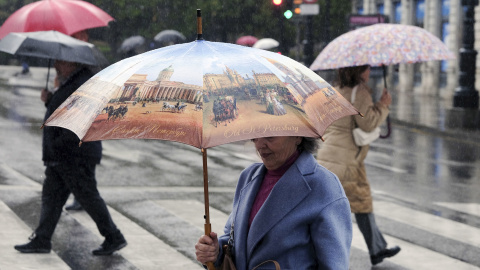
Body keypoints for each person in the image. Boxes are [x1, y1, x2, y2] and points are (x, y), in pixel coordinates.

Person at [15, 59, 127, 256]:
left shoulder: (82, 84)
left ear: (71, 62)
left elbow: (79, 119)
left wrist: (59, 142)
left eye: (60, 62)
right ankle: (42, 239)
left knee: (87, 197)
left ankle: (114, 236)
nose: (57, 66)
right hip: (63, 155)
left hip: (75, 155)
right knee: (52, 197)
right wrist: (50, 100)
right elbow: (62, 111)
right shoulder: (71, 81)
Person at [195, 136, 352, 269]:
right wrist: (215, 252)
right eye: (256, 135)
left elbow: (334, 265)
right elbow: (234, 238)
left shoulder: (324, 186)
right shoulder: (248, 177)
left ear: (297, 135)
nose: (259, 145)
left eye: (270, 136)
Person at [316, 65, 400, 265]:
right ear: (359, 71)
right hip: (346, 160)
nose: (370, 71)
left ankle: (377, 248)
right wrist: (383, 104)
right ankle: (326, 256)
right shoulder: (360, 92)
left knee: (359, 203)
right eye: (367, 68)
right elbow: (368, 123)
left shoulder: (335, 89)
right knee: (336, 210)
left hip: (330, 155)